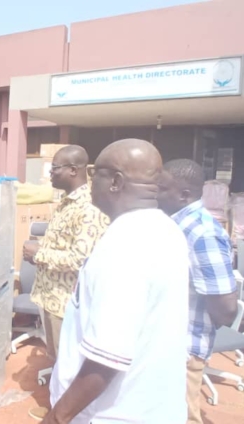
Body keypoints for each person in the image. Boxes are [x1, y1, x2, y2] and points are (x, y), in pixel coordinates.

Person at [43, 139, 189, 424]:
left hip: (109, 414)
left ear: (116, 182)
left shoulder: (124, 246)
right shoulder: (166, 229)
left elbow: (107, 356)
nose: (89, 181)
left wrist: (56, 418)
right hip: (149, 409)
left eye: (95, 172)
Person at [22, 145, 109, 421]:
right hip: (51, 297)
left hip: (66, 302)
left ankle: (65, 416)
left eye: (55, 168)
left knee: (70, 366)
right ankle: (56, 406)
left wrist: (39, 254)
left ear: (73, 170)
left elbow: (81, 258)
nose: (50, 173)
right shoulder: (66, 202)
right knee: (59, 361)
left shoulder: (88, 208)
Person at [157, 158, 238, 424]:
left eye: (162, 188)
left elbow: (225, 307)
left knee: (178, 417)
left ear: (184, 194)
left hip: (183, 347)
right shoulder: (174, 223)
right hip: (162, 342)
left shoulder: (202, 233)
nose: (155, 193)